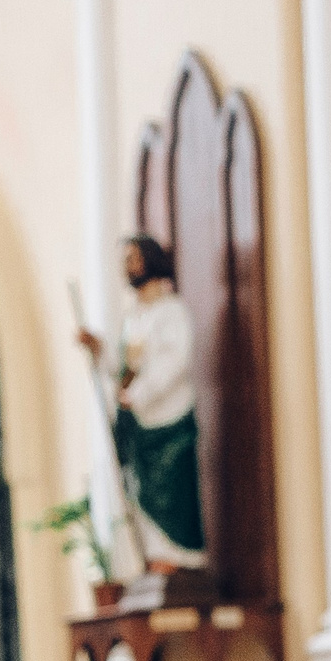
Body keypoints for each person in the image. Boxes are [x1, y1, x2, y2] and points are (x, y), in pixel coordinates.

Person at [76, 234, 204, 571]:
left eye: (132, 258)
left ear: (151, 260)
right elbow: (124, 369)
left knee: (172, 495)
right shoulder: (134, 319)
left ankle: (181, 561)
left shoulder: (171, 312)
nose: (127, 267)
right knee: (142, 492)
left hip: (168, 423)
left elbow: (174, 362)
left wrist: (139, 394)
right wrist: (99, 349)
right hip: (140, 426)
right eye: (124, 260)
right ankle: (158, 557)